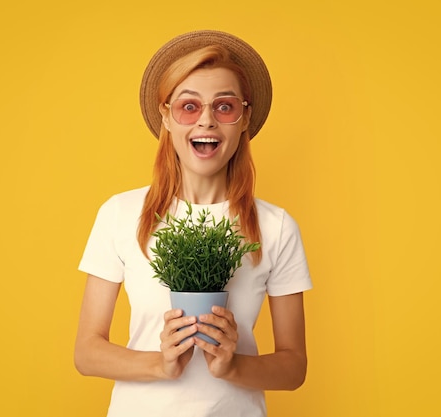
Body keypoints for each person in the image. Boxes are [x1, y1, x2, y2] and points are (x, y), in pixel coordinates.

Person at [75, 30, 312, 417]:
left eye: (224, 106)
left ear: (244, 118)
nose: (206, 120)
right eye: (189, 106)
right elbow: (86, 351)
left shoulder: (276, 226)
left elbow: (294, 366)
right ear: (166, 116)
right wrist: (159, 363)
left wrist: (233, 366)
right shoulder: (120, 214)